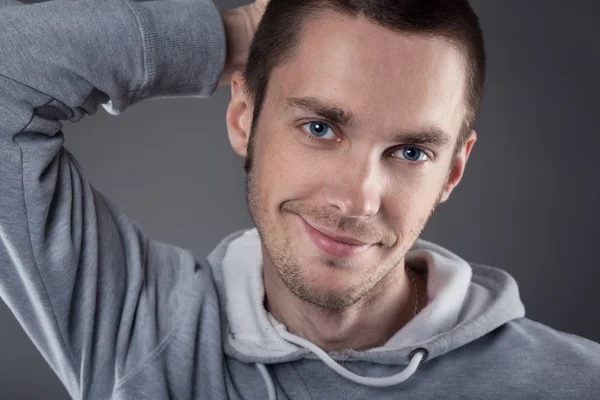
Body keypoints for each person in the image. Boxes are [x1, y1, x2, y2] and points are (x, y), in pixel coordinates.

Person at [0, 0, 598, 398]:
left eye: (411, 152)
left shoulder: (574, 382)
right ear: (243, 115)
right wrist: (231, 35)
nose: (358, 200)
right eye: (320, 128)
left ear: (452, 171)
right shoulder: (140, 331)